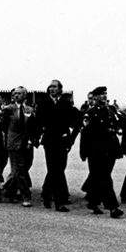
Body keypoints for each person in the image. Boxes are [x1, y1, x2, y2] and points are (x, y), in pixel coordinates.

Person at [79, 87, 124, 218]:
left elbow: (118, 123)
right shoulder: (91, 113)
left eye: (105, 94)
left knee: (99, 178)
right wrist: (84, 152)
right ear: (95, 97)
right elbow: (85, 133)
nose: (104, 96)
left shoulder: (111, 110)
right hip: (96, 151)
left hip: (110, 150)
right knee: (105, 178)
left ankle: (93, 202)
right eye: (101, 95)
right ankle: (113, 207)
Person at [37, 81, 80, 211]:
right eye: (50, 86)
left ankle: (46, 194)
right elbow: (38, 121)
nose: (51, 89)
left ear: (61, 89)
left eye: (54, 86)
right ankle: (58, 202)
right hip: (49, 141)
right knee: (54, 169)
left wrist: (72, 138)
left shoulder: (66, 104)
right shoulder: (43, 103)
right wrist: (36, 137)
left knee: (59, 168)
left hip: (63, 141)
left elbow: (78, 118)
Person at [0, 86, 38, 206]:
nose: (16, 96)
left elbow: (33, 126)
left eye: (19, 94)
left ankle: (10, 191)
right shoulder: (8, 109)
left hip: (27, 143)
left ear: (25, 95)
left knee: (24, 168)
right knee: (18, 170)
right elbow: (1, 125)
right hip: (13, 143)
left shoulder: (29, 109)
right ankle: (25, 196)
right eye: (15, 94)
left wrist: (33, 140)